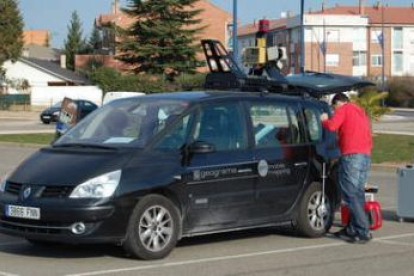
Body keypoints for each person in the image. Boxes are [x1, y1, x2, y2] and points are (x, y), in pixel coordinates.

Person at [320, 92, 373, 244]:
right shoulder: (359, 110)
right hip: (365, 155)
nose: (334, 111)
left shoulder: (343, 109)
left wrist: (324, 120)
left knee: (350, 195)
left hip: (352, 156)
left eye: (333, 108)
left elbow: (332, 126)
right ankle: (352, 228)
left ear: (337, 103)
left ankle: (363, 231)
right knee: (357, 194)